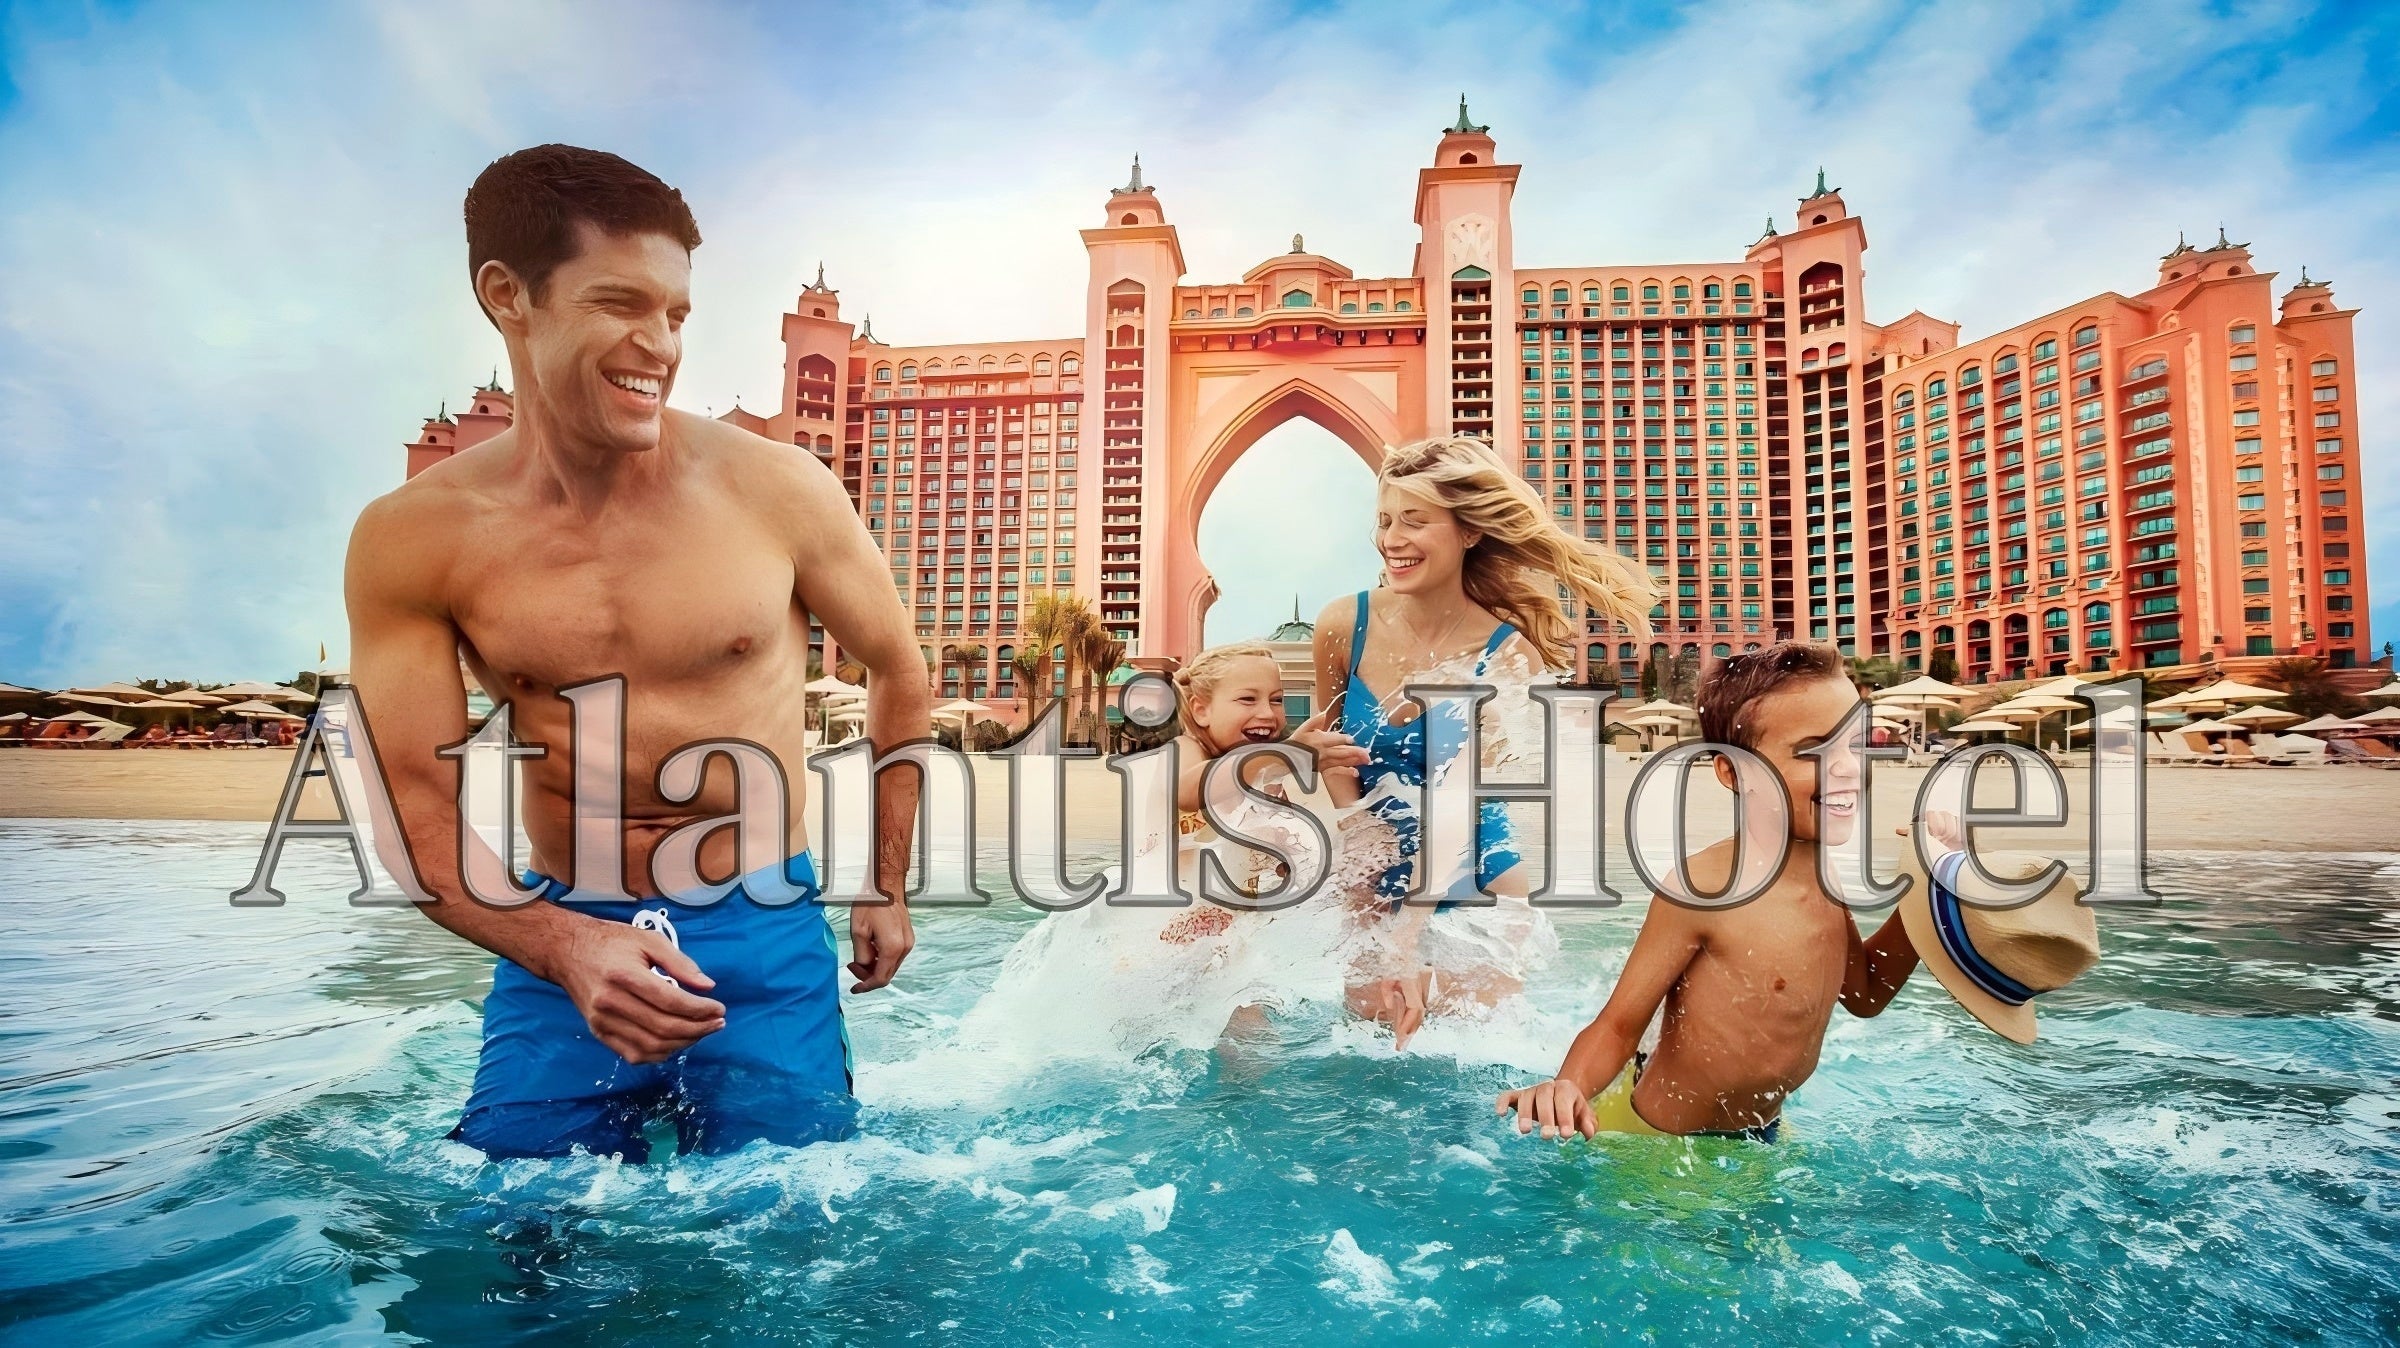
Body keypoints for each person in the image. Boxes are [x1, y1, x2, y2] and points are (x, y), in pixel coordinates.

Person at [346, 145, 929, 1161]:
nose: (658, 346)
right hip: (561, 923)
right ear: (508, 296)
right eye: (620, 303)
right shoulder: (415, 537)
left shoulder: (777, 489)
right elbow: (413, 808)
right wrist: (559, 943)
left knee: (792, 1223)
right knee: (516, 1231)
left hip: (759, 922)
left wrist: (886, 882)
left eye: (676, 314)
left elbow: (900, 668)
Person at [1495, 642, 1919, 1142]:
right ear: (1733, 771)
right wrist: (1569, 1085)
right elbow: (1618, 1025)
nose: (1847, 766)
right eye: (1813, 750)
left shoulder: (1822, 872)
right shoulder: (1705, 890)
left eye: (1855, 742)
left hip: (1762, 1132)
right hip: (1664, 1146)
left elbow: (1864, 994)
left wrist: (1929, 895)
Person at [1312, 435, 1656, 1046]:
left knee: (1467, 1071)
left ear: (1468, 531)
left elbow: (1458, 807)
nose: (1392, 539)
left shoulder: (1505, 656)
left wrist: (1406, 940)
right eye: (1385, 521)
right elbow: (1333, 743)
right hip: (1372, 879)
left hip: (1478, 883)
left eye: (1414, 521)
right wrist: (1356, 826)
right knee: (1365, 1065)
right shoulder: (1344, 624)